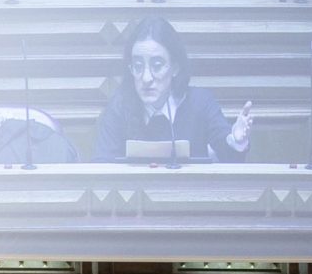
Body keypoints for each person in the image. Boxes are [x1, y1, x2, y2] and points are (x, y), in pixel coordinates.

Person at [92, 17, 253, 164]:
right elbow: (102, 167)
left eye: (157, 65)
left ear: (175, 67)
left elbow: (229, 157)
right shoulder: (120, 106)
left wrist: (237, 142)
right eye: (138, 66)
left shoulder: (200, 103)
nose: (146, 78)